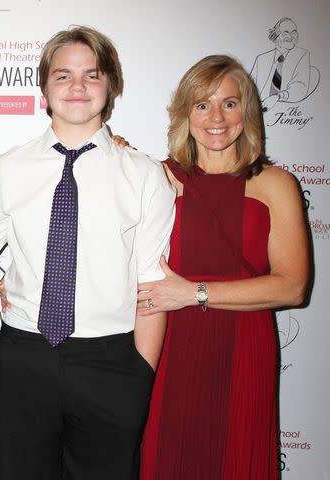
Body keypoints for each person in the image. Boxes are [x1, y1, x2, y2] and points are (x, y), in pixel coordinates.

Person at [0, 26, 175, 479]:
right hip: (22, 357)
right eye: (63, 76)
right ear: (44, 86)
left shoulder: (144, 176)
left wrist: (139, 376)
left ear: (112, 85)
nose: (78, 87)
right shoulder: (8, 169)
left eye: (92, 74)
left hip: (111, 362)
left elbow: (152, 283)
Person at [138, 55, 309, 479]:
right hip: (170, 347)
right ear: (185, 114)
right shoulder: (158, 178)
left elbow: (292, 288)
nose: (216, 117)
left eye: (229, 104)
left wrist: (194, 292)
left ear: (246, 112)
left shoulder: (275, 183)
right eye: (202, 105)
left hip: (244, 347)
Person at [250, 17, 320, 111]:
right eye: (286, 32)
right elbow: (248, 87)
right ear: (276, 36)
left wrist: (278, 97)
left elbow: (299, 86)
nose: (291, 36)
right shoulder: (261, 59)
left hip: (285, 112)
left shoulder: (302, 55)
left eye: (294, 32)